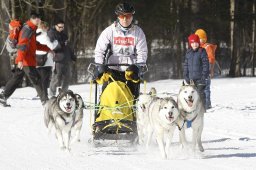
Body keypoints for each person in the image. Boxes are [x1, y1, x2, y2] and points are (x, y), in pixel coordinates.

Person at [94, 2, 148, 98]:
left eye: (128, 16)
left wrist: (139, 67)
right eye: (122, 16)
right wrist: (100, 67)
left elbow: (142, 52)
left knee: (131, 98)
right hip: (112, 69)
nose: (125, 19)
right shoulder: (109, 31)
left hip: (130, 70)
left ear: (132, 16)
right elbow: (99, 50)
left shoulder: (138, 32)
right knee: (107, 97)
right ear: (118, 16)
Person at [0, 12, 50, 106]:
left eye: (39, 19)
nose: (39, 21)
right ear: (33, 19)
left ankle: (3, 97)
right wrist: (19, 60)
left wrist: (48, 49)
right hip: (26, 60)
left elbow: (34, 45)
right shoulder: (27, 29)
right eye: (37, 19)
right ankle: (45, 101)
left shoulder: (32, 29)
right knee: (36, 79)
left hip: (25, 59)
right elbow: (22, 45)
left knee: (16, 78)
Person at [48, 20, 76, 97]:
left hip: (66, 59)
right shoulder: (51, 34)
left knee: (67, 77)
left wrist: (72, 56)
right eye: (60, 27)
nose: (61, 28)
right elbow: (51, 46)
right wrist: (61, 44)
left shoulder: (64, 34)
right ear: (55, 26)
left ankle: (63, 94)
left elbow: (68, 47)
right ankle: (52, 95)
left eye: (63, 27)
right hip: (57, 60)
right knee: (56, 78)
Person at [183, 34, 209, 109]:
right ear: (190, 44)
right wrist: (186, 76)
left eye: (196, 43)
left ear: (199, 43)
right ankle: (194, 108)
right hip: (191, 79)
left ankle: (203, 108)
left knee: (200, 93)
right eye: (192, 43)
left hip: (200, 78)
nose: (194, 44)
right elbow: (186, 65)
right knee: (192, 94)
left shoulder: (202, 51)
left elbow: (205, 64)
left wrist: (204, 76)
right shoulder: (188, 53)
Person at [195, 29, 217, 109]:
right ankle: (200, 104)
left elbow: (211, 59)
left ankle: (207, 104)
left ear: (204, 39)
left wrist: (210, 70)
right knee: (198, 89)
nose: (198, 40)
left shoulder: (207, 47)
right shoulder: (197, 48)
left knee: (206, 89)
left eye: (200, 38)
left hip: (206, 72)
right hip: (199, 73)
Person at [36, 21, 58, 98]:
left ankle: (40, 94)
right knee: (45, 80)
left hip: (36, 59)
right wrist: (56, 42)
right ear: (43, 27)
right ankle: (45, 96)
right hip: (46, 60)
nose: (48, 30)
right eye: (47, 28)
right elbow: (51, 46)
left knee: (39, 79)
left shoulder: (35, 35)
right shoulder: (44, 36)